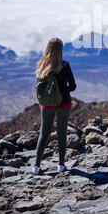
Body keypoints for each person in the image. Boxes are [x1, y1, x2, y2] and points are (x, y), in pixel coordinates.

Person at [32, 38, 76, 175]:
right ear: (61, 50)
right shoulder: (65, 65)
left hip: (47, 104)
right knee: (61, 133)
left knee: (44, 133)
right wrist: (62, 91)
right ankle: (61, 165)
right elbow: (73, 86)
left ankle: (36, 166)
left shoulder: (41, 66)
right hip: (63, 103)